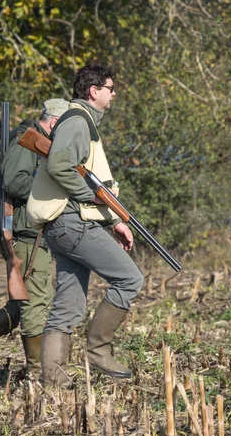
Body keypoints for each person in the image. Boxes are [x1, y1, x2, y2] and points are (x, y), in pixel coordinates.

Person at [26, 64, 144, 386]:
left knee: (68, 303)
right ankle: (98, 351)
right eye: (110, 88)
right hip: (71, 224)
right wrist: (95, 198)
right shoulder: (78, 122)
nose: (113, 93)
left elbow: (75, 173)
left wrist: (113, 220)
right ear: (94, 91)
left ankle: (53, 379)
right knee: (130, 278)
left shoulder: (81, 122)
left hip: (63, 225)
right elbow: (61, 167)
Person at [0, 98, 70, 373]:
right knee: (35, 302)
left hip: (32, 234)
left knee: (26, 300)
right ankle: (37, 373)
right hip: (25, 236)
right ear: (55, 123)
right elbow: (13, 180)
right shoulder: (28, 142)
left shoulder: (39, 144)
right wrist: (51, 187)